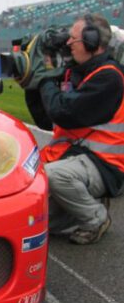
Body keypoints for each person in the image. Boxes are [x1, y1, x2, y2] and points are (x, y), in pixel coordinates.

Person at [25, 13, 124, 244]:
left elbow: (63, 112)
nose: (68, 43)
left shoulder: (110, 77)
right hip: (75, 158)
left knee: (53, 176)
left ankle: (95, 218)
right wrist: (32, 83)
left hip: (105, 165)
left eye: (73, 38)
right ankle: (86, 205)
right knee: (35, 219)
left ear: (92, 41)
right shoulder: (76, 74)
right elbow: (46, 119)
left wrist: (46, 78)